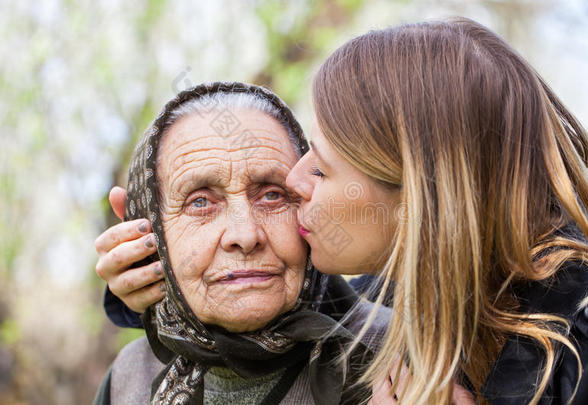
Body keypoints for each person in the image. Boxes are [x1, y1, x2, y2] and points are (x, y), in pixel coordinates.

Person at [96, 17, 588, 404]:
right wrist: (152, 284)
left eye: (319, 168)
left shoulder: (582, 352)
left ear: (421, 195)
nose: (296, 182)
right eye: (200, 202)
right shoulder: (128, 379)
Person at [93, 82, 392, 405]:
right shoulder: (128, 378)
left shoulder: (405, 357)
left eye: (272, 195)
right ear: (152, 231)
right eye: (200, 202)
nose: (246, 235)